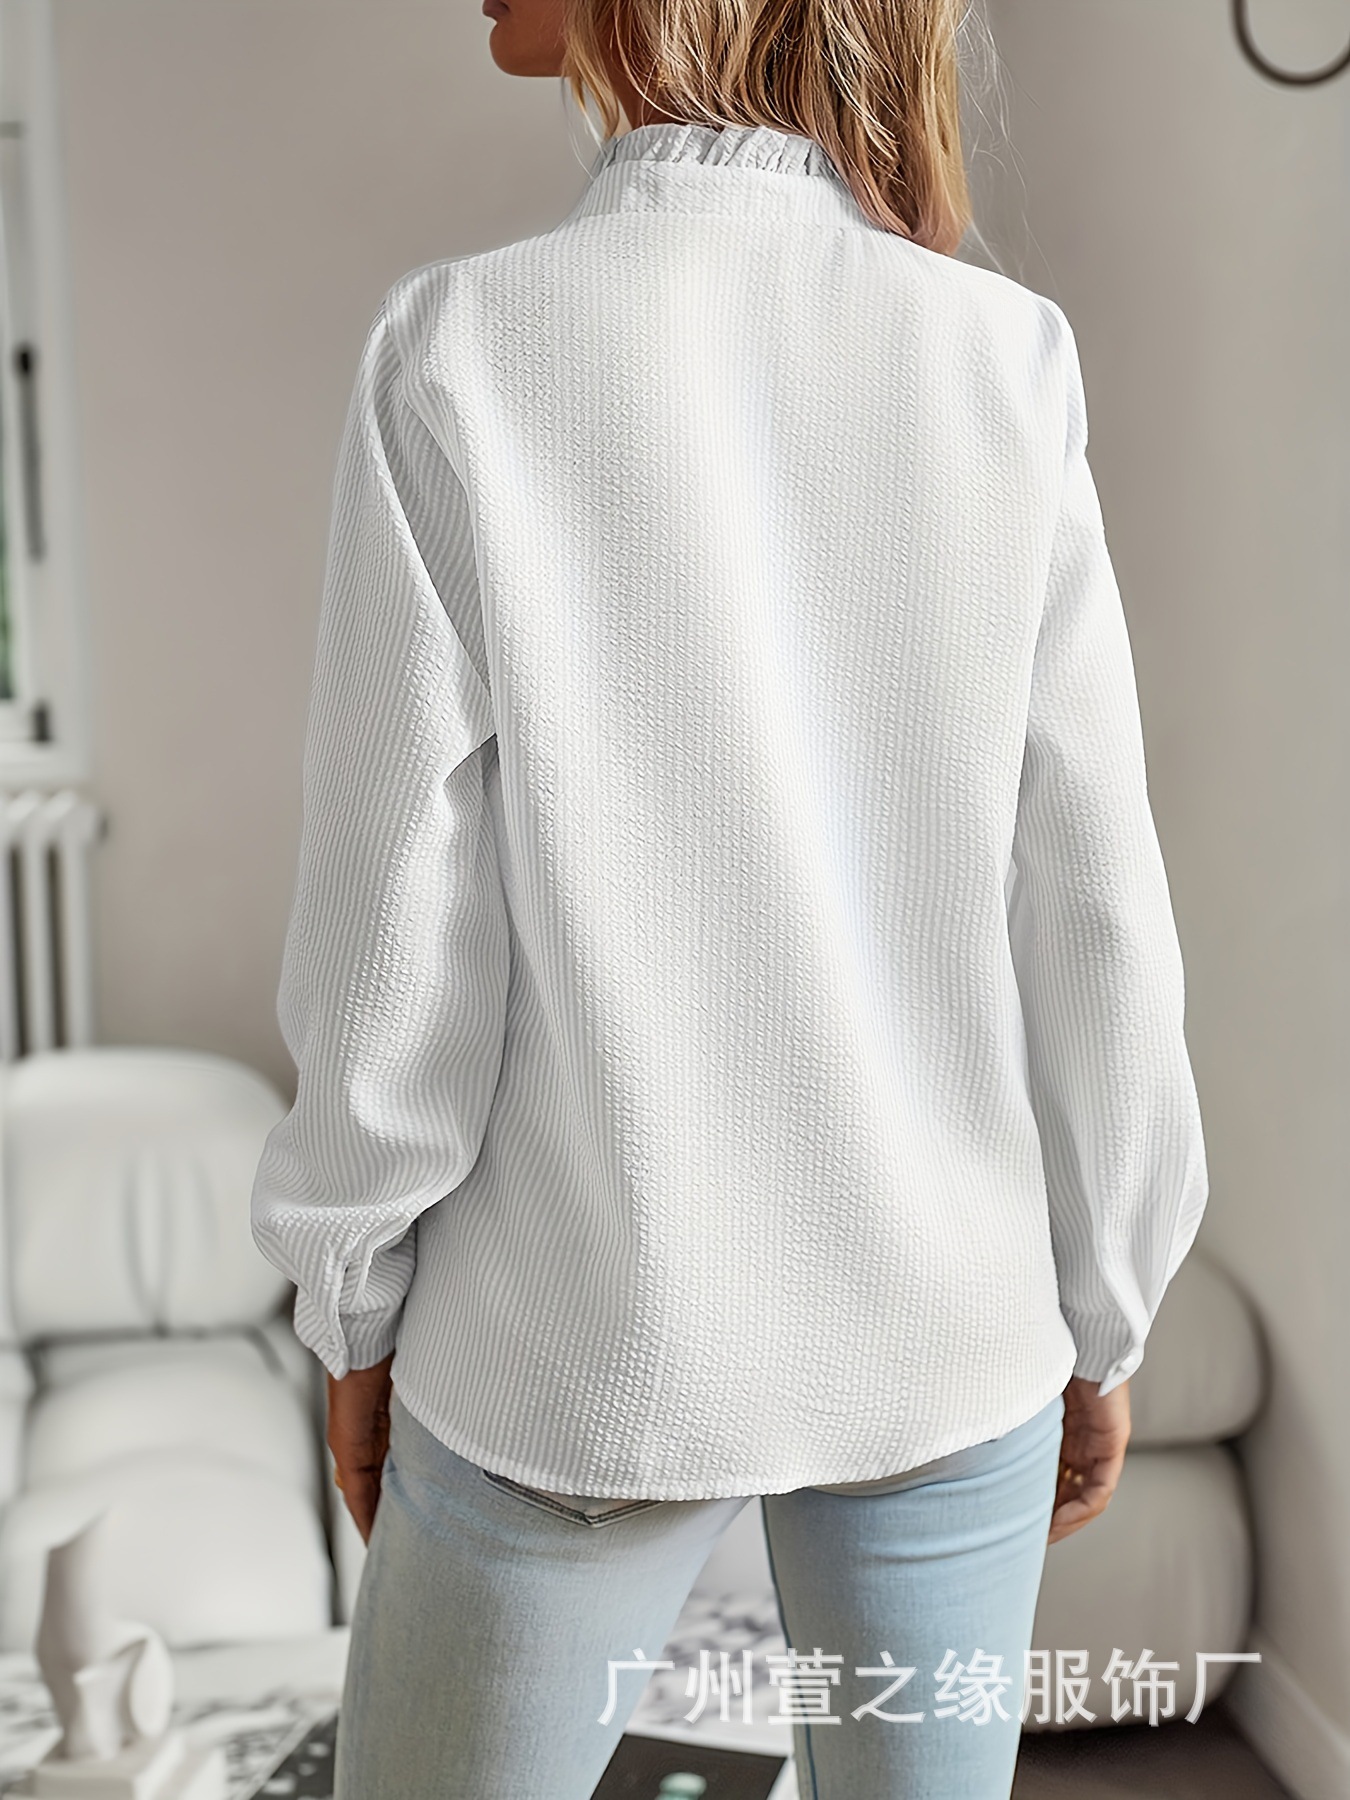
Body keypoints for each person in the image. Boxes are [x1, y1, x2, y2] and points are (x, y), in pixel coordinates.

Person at [249, 0, 1210, 1794]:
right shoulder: (1002, 356)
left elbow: (396, 930)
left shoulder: (462, 345)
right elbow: (1091, 895)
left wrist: (350, 1298)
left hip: (570, 1339)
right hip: (947, 1327)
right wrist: (1105, 1297)